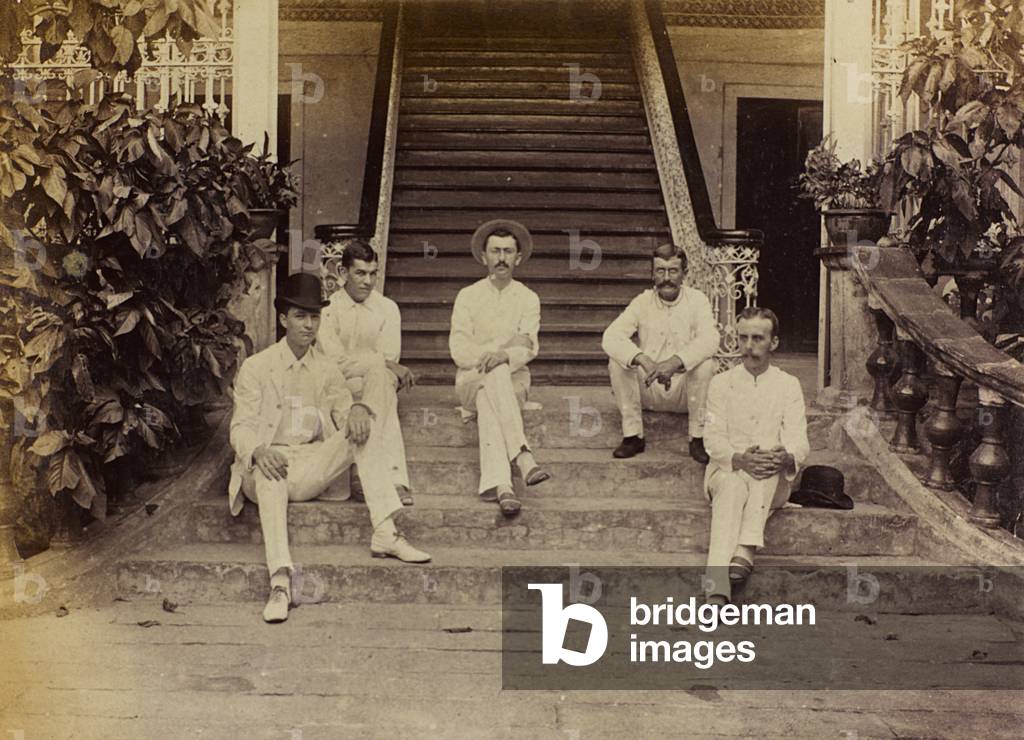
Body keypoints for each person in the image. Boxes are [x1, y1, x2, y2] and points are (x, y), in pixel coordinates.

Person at [228, 273, 430, 624]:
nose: (309, 325)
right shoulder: (256, 366)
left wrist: (356, 409)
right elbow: (240, 426)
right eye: (300, 316)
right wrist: (259, 451)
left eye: (315, 317)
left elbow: (342, 409)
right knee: (271, 472)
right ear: (283, 319)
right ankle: (280, 582)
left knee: (360, 429)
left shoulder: (325, 368)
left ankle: (385, 531)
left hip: (309, 466)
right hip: (264, 465)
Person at [702, 307, 809, 605]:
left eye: (758, 338)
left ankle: (746, 546)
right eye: (743, 338)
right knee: (734, 485)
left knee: (767, 458)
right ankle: (720, 584)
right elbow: (711, 439)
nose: (749, 346)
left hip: (772, 481)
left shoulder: (788, 385)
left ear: (773, 343)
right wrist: (738, 459)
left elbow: (799, 439)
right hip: (726, 473)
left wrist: (786, 456)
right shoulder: (721, 384)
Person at [448, 219, 550, 517]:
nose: (501, 258)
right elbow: (458, 349)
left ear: (518, 258)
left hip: (514, 385)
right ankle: (522, 454)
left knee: (492, 390)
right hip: (469, 380)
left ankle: (502, 485)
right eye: (495, 251)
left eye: (508, 251)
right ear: (484, 256)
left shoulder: (528, 298)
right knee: (494, 371)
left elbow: (529, 346)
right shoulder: (467, 296)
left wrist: (505, 356)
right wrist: (501, 352)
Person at [318, 240, 415, 507]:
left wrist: (379, 365)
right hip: (340, 385)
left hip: (377, 383)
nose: (368, 281)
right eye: (360, 273)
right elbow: (334, 362)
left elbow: (390, 358)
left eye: (373, 273)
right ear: (342, 272)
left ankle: (381, 477)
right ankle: (388, 477)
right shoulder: (327, 310)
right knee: (378, 382)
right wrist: (378, 363)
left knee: (382, 383)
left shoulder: (388, 309)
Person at [601, 243, 719, 464]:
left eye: (673, 271)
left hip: (685, 392)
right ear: (652, 274)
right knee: (618, 362)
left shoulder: (697, 300)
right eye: (660, 271)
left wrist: (676, 361)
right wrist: (642, 359)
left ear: (685, 273)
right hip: (649, 387)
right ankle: (633, 435)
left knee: (705, 365)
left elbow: (711, 339)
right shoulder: (642, 301)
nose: (667, 278)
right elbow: (611, 336)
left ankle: (697, 437)